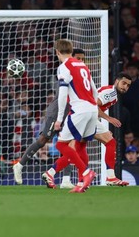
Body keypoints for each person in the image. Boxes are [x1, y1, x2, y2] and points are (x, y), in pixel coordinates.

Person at [13, 48, 85, 188]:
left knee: (70, 145)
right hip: (58, 111)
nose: (80, 61)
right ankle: (19, 166)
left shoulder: (82, 73)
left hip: (72, 112)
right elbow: (63, 96)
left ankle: (65, 179)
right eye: (78, 58)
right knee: (43, 140)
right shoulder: (65, 70)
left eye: (82, 58)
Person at [42, 39, 98, 193]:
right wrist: (94, 107)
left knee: (61, 145)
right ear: (72, 51)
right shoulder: (82, 65)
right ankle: (81, 183)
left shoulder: (63, 67)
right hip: (92, 108)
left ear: (57, 52)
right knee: (80, 146)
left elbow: (63, 94)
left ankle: (86, 172)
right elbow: (94, 89)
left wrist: (59, 119)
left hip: (79, 109)